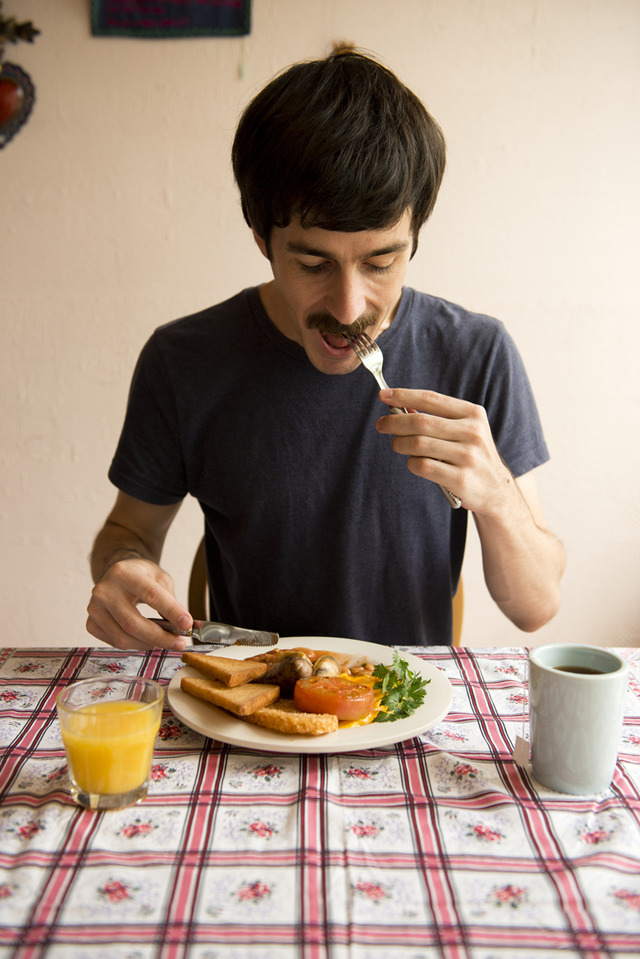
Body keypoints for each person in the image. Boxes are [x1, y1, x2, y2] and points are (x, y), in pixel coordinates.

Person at [87, 48, 565, 651]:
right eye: (313, 263)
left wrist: (496, 495)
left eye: (381, 261)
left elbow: (536, 606)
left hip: (409, 708)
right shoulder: (183, 360)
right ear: (262, 238)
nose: (348, 306)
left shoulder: (476, 352)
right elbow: (127, 531)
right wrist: (119, 570)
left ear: (414, 238)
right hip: (245, 705)